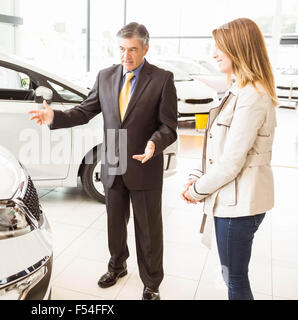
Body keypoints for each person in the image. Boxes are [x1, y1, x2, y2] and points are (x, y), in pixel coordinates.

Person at [29, 22, 177, 300]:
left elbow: (169, 126)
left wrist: (155, 143)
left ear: (146, 48)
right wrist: (55, 117)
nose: (126, 56)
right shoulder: (106, 76)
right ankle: (117, 266)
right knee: (114, 223)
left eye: (133, 49)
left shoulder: (162, 79)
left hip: (144, 163)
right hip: (112, 163)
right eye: (122, 49)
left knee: (148, 227)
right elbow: (85, 111)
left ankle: (152, 282)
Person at [182, 18, 278, 300]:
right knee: (230, 275)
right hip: (230, 199)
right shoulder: (238, 91)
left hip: (239, 206)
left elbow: (231, 163)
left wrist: (197, 191)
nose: (213, 54)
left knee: (234, 278)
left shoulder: (253, 96)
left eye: (219, 48)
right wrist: (194, 177)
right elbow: (216, 148)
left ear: (239, 49)